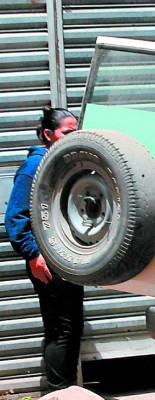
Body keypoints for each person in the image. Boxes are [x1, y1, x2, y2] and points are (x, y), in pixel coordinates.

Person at [6, 106, 84, 392]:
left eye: (76, 131)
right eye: (67, 132)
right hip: (46, 260)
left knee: (71, 326)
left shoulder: (60, 162)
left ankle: (66, 389)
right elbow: (15, 217)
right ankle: (57, 391)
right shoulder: (34, 167)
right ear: (49, 134)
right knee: (61, 328)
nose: (73, 136)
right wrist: (33, 254)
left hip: (65, 260)